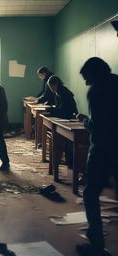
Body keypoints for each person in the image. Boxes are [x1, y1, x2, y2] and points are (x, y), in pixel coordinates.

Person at [76, 57, 118, 256]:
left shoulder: (96, 91)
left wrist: (85, 121)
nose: (85, 82)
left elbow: (98, 126)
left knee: (90, 193)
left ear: (94, 73)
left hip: (103, 149)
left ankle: (96, 244)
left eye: (86, 78)